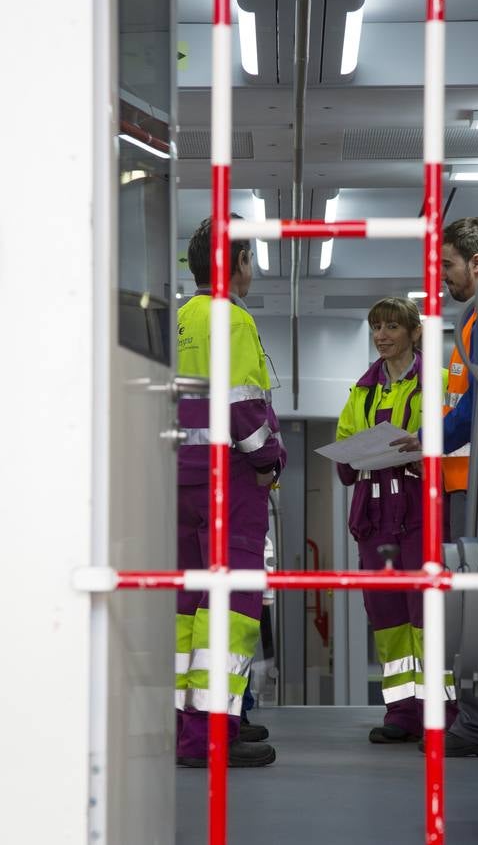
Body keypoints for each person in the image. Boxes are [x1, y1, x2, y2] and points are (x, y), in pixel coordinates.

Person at [396, 217, 478, 757]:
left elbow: (474, 408)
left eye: (446, 265)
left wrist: (427, 441)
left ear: (477, 263)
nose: (440, 276)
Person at [175, 217, 286, 768]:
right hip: (229, 483)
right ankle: (211, 735)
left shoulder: (179, 319)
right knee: (232, 610)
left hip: (181, 480)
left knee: (190, 609)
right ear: (239, 263)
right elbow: (246, 410)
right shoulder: (232, 319)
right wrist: (271, 462)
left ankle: (190, 730)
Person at [335, 297, 457, 744]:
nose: (382, 336)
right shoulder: (361, 390)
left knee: (427, 612)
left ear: (413, 332)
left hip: (422, 510)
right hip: (374, 516)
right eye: (376, 328)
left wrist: (429, 457)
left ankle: (440, 713)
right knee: (386, 615)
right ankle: (401, 713)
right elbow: (344, 452)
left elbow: (459, 447)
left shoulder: (439, 382)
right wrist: (352, 458)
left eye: (391, 327)